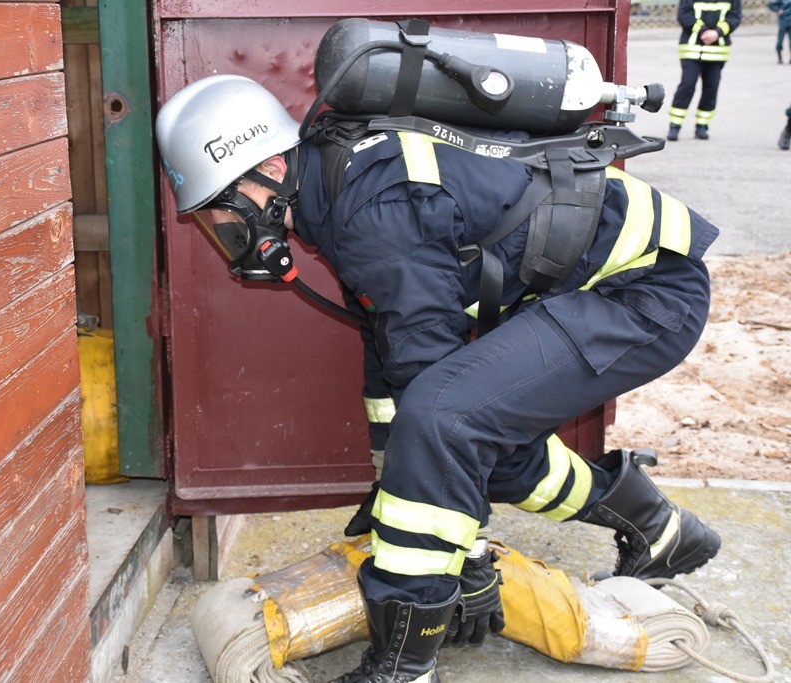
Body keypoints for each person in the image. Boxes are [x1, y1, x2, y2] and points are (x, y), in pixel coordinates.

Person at [156, 74, 723, 683]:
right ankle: (660, 531)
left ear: (269, 166)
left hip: (644, 292)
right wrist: (390, 487)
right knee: (474, 448)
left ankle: (403, 666)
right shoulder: (338, 186)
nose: (227, 230)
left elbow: (433, 402)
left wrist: (466, 556)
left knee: (445, 425)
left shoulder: (370, 206)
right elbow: (392, 359)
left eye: (223, 207)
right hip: (597, 289)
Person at [667, 0, 742, 141]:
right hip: (691, 51)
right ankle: (675, 125)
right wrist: (703, 32)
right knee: (687, 86)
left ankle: (702, 125)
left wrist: (717, 32)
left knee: (711, 89)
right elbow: (684, 14)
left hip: (717, 52)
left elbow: (735, 16)